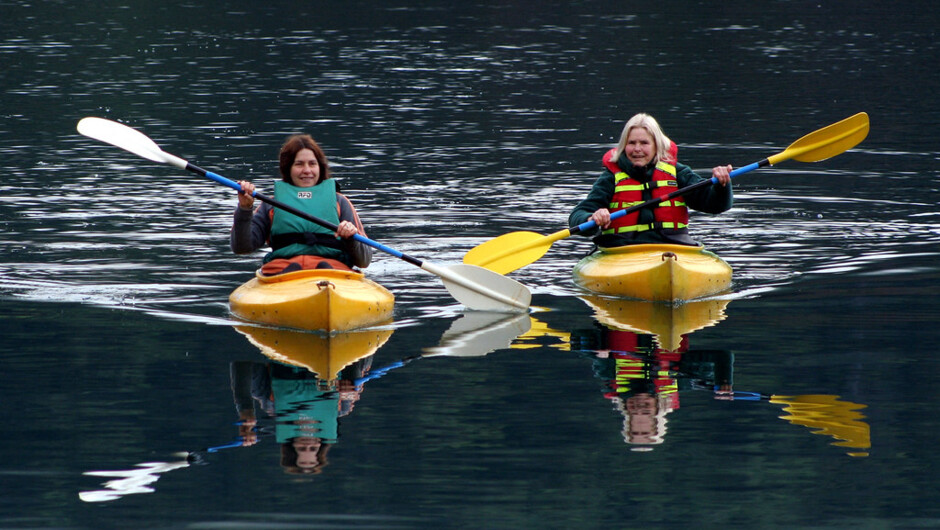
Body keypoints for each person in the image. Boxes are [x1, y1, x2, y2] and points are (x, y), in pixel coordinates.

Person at [569, 113, 734, 248]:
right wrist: (592, 218)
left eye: (644, 143)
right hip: (622, 250)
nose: (637, 149)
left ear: (656, 145)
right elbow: (577, 215)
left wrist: (721, 185)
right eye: (631, 143)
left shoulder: (677, 173)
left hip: (674, 248)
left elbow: (716, 205)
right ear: (623, 146)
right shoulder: (611, 178)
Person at [231, 134, 372, 275]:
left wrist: (351, 238)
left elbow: (364, 261)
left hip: (333, 272)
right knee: (292, 270)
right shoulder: (270, 205)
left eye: (312, 163)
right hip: (283, 273)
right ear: (288, 168)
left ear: (320, 167)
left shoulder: (340, 202)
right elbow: (241, 247)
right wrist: (244, 208)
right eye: (299, 164)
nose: (307, 170)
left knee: (325, 268)